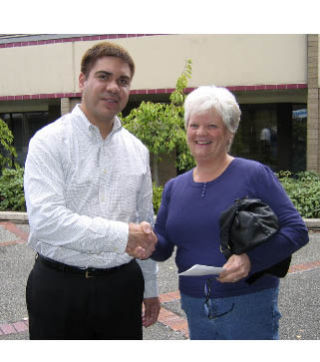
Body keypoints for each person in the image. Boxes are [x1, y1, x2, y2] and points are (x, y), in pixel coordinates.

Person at [24, 41, 160, 340]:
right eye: (104, 76)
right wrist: (123, 235)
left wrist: (150, 288)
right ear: (83, 81)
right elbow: (46, 221)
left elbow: (144, 224)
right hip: (58, 288)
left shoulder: (137, 150)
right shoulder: (49, 142)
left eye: (123, 81)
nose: (114, 87)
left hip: (121, 288)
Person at [151, 85, 309, 340]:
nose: (201, 132)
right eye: (194, 125)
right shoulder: (174, 187)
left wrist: (250, 260)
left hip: (248, 305)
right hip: (194, 306)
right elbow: (162, 248)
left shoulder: (254, 174)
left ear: (229, 132)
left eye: (212, 126)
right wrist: (144, 241)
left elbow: (297, 231)